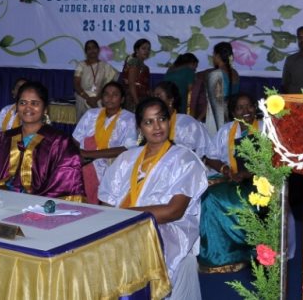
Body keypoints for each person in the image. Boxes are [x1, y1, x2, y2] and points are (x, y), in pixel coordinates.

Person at [99, 97, 208, 299]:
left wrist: (121, 217)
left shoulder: (184, 159)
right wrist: (112, 220)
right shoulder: (126, 159)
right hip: (121, 222)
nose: (157, 127)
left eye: (161, 119)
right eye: (149, 122)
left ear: (169, 122)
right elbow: (106, 202)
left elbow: (174, 211)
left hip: (166, 228)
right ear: (140, 128)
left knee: (130, 247)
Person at [0, 81, 85, 201]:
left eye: (34, 103)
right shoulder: (5, 138)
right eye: (22, 103)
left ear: (45, 108)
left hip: (40, 204)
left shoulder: (60, 142)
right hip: (0, 200)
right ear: (17, 107)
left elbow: (67, 182)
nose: (28, 107)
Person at [199, 92, 262, 270]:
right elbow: (210, 156)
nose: (246, 110)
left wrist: (247, 174)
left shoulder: (265, 128)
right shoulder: (227, 130)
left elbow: (275, 161)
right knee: (207, 197)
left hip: (261, 182)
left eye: (249, 106)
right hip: (232, 179)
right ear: (233, 113)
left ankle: (250, 251)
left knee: (244, 202)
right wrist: (226, 170)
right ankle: (218, 253)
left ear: (255, 107)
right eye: (240, 108)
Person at [72, 81, 137, 203]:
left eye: (115, 94)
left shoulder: (129, 119)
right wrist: (81, 155)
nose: (110, 98)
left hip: (112, 164)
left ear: (122, 99)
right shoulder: (91, 114)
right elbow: (75, 139)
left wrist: (89, 154)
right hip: (85, 162)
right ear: (101, 98)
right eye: (106, 94)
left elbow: (126, 149)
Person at [153, 80, 212, 158]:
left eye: (159, 96)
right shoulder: (151, 123)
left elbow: (194, 154)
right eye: (153, 97)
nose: (154, 100)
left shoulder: (186, 123)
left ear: (171, 100)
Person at [74, 39, 119, 120]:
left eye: (94, 47)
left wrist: (96, 98)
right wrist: (88, 99)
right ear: (86, 52)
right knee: (83, 123)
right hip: (83, 98)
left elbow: (108, 87)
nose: (92, 50)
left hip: (99, 98)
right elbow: (76, 84)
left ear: (98, 50)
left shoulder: (105, 66)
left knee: (99, 123)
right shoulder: (81, 65)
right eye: (89, 48)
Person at [204, 42, 240, 135]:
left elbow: (217, 107)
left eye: (213, 54)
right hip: (232, 118)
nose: (213, 57)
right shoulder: (235, 73)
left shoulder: (215, 75)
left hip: (219, 123)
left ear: (217, 55)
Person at [0, 77, 28, 142]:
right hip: (3, 144)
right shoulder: (6, 110)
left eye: (24, 87)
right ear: (13, 92)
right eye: (18, 87)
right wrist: (7, 140)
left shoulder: (32, 111)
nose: (21, 89)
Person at [122, 38, 151, 112]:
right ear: (137, 50)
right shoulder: (134, 62)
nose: (146, 51)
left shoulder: (143, 65)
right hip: (134, 99)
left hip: (141, 98)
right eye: (143, 48)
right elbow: (131, 83)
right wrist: (137, 102)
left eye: (148, 49)